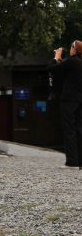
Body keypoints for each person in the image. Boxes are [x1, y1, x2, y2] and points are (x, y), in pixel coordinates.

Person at [49, 41, 82, 169]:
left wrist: (56, 58)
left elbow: (51, 69)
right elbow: (64, 68)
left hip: (69, 100)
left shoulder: (72, 61)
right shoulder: (78, 63)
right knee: (78, 129)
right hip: (79, 100)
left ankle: (72, 162)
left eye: (72, 47)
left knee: (69, 130)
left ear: (75, 49)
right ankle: (79, 161)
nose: (70, 49)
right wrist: (60, 61)